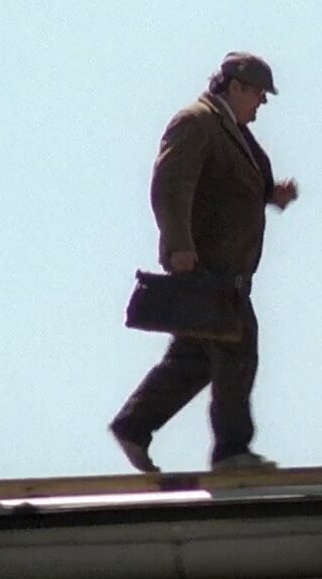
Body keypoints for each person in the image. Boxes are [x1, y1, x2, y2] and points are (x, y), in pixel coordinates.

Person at [110, 52, 298, 472]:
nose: (261, 103)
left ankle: (134, 425)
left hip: (226, 269)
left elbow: (233, 185)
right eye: (258, 93)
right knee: (238, 348)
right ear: (235, 86)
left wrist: (272, 195)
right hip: (208, 269)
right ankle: (232, 451)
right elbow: (169, 186)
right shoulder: (196, 122)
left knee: (193, 360)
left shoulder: (232, 131)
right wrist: (179, 245)